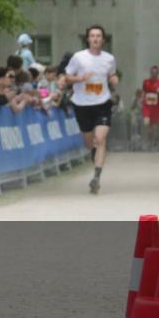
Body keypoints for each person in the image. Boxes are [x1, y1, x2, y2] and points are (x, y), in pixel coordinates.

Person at [65, 25, 118, 194]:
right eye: (92, 36)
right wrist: (80, 78)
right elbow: (67, 77)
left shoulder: (109, 58)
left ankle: (96, 178)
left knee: (101, 138)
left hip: (102, 103)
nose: (95, 38)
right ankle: (94, 152)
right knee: (89, 143)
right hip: (82, 104)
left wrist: (114, 79)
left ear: (103, 39)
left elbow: (112, 74)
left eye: (99, 36)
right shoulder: (78, 58)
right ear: (87, 39)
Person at [141, 65, 159, 149]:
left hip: (156, 108)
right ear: (150, 72)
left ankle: (153, 143)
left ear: (157, 74)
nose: (154, 74)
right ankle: (145, 143)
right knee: (146, 123)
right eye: (152, 72)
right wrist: (141, 99)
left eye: (155, 73)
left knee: (154, 128)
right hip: (147, 106)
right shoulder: (146, 82)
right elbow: (143, 92)